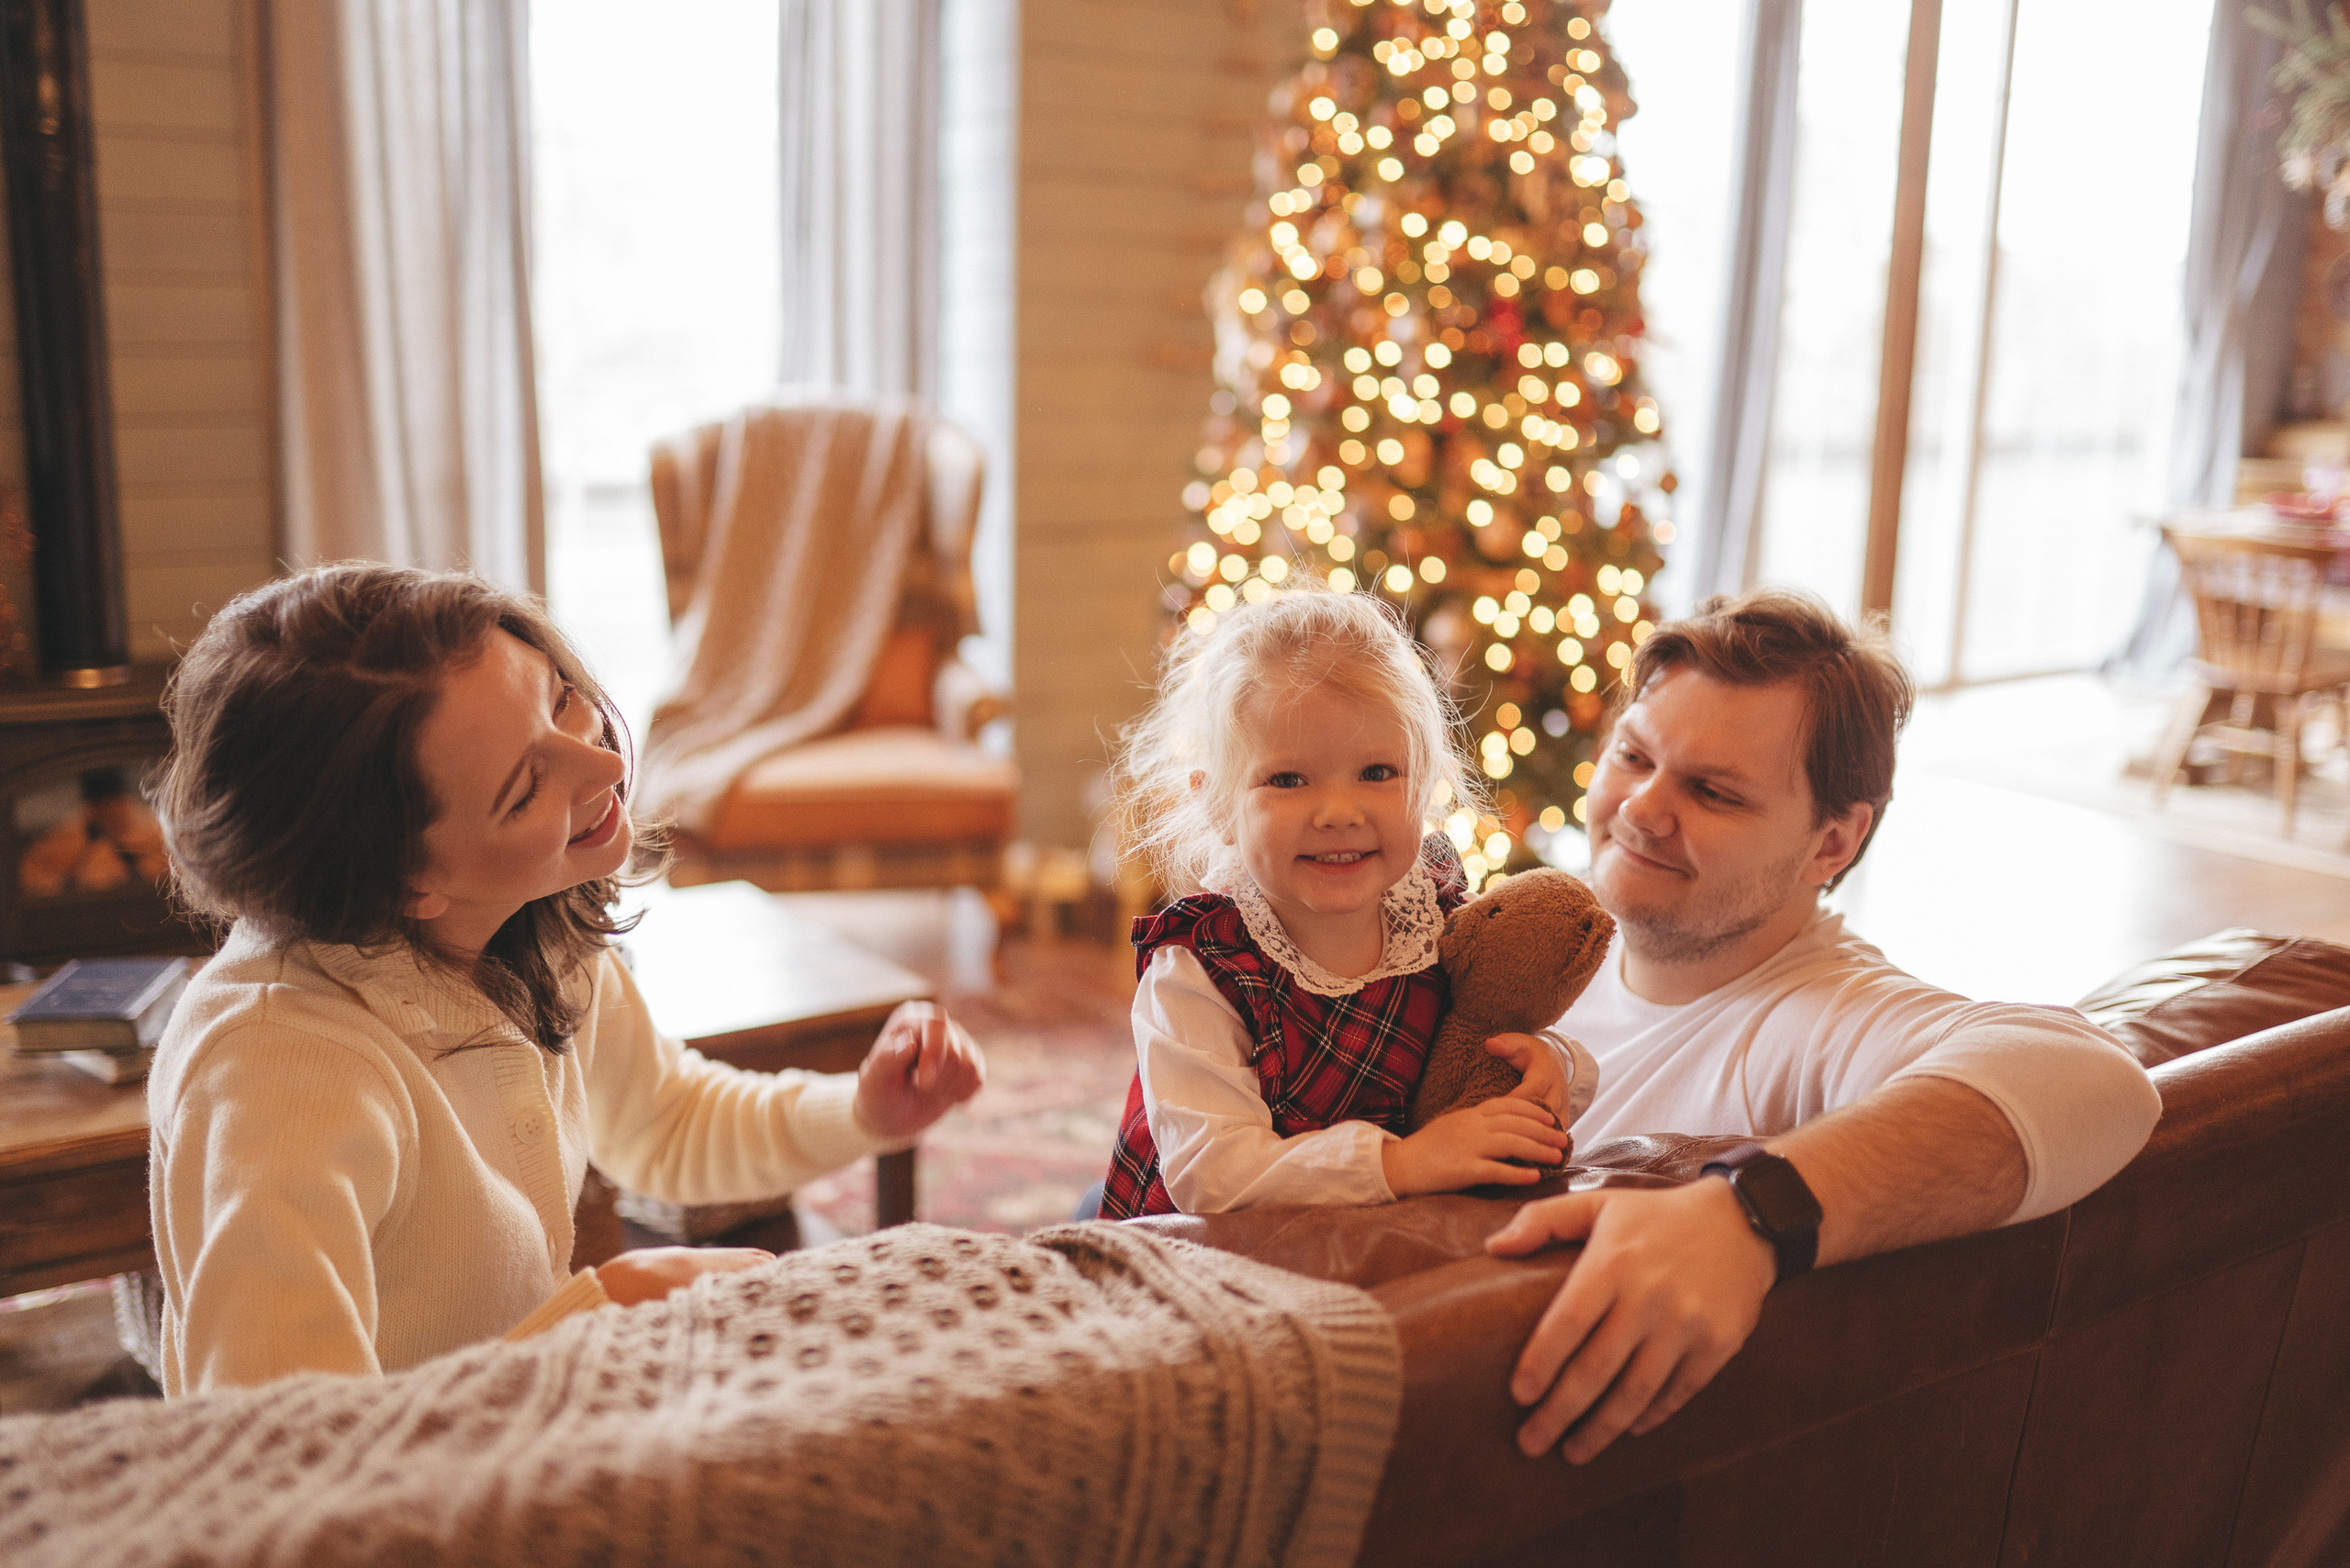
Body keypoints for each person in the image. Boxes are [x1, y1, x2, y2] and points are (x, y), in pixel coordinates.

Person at [148, 564, 983, 1395]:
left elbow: (664, 1122)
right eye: (525, 790)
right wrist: (598, 1315)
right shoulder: (279, 1070)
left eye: (559, 698)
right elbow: (277, 1447)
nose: (603, 769)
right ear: (406, 883)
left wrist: (868, 1110)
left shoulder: (528, 929)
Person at [1480, 588, 2162, 1463]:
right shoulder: (1531, 957)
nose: (1643, 809)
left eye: (1713, 792)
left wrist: (1748, 1215)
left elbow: (2096, 1079)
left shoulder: (1822, 1015)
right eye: (1633, 756)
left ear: (1831, 846)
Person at [1097, 586, 1589, 1219]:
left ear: (1425, 780)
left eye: (1378, 773)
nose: (1338, 813)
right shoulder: (1202, 969)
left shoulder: (1437, 919)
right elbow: (1212, 1177)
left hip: (1376, 1240)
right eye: (1288, 780)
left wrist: (1557, 1062)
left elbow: (1505, 1030)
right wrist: (1402, 1163)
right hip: (1204, 1261)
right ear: (1217, 804)